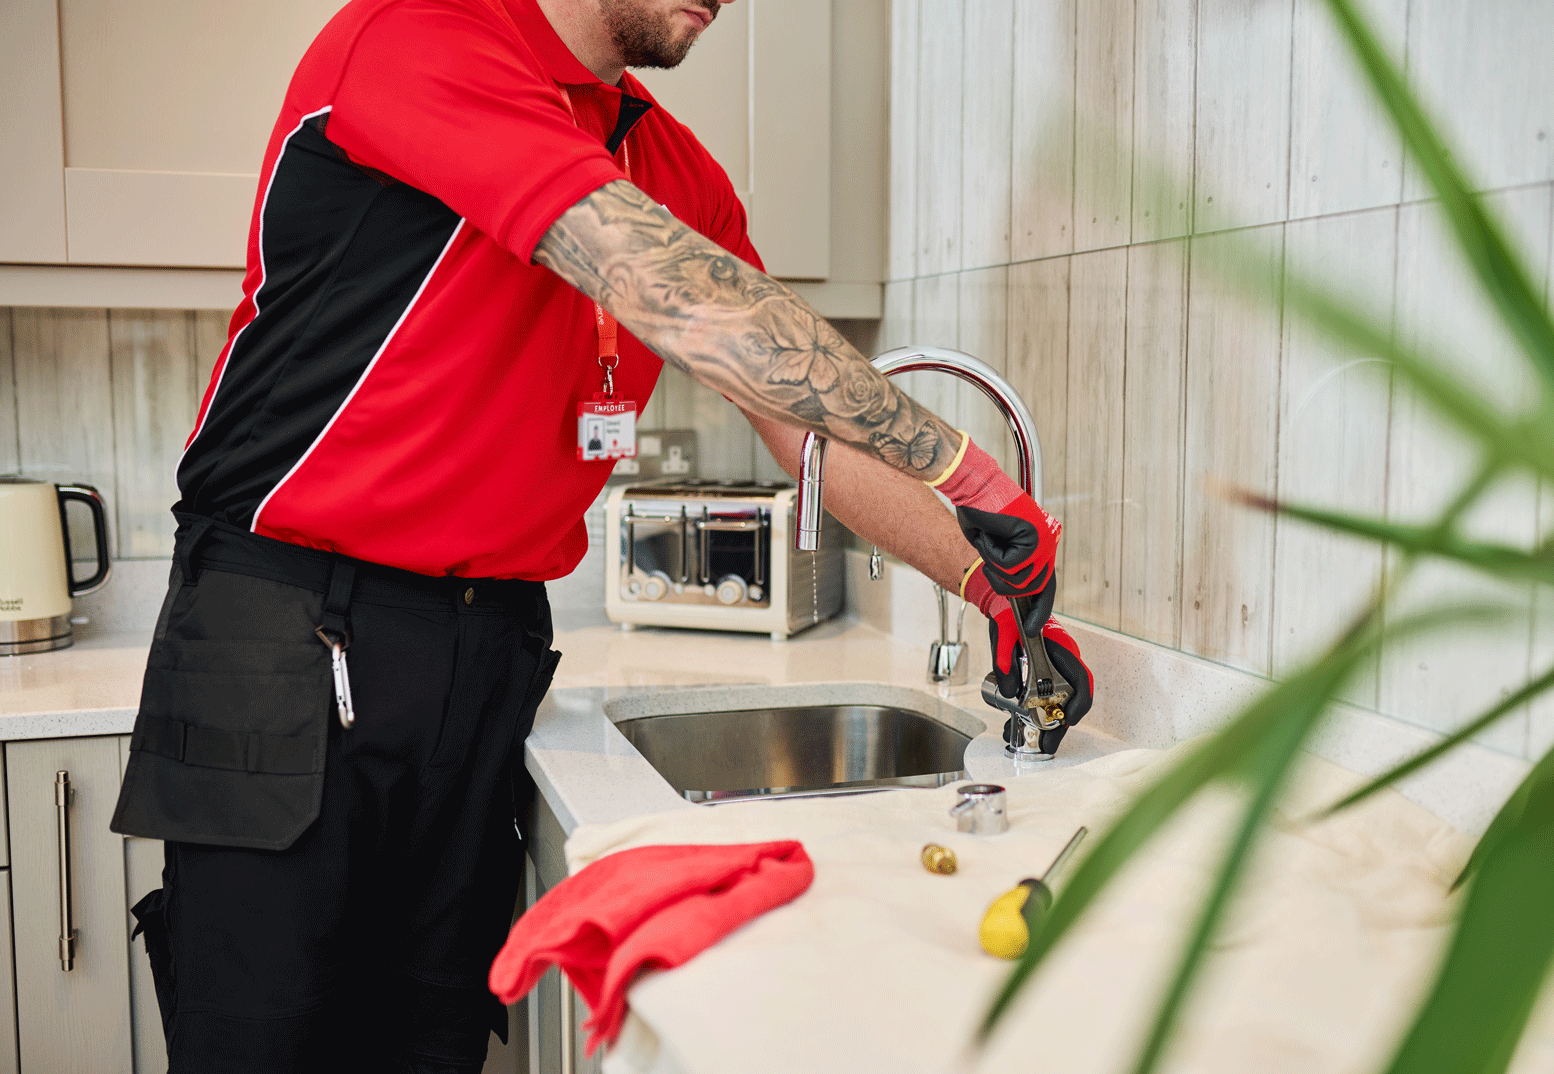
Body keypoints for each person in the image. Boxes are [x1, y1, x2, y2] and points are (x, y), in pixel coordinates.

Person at [109, 0, 1093, 1070]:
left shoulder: (675, 168)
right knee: (265, 1035)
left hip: (484, 646)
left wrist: (990, 583)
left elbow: (798, 421)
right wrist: (966, 466)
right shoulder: (419, 40)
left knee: (433, 1034)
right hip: (285, 624)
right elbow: (676, 292)